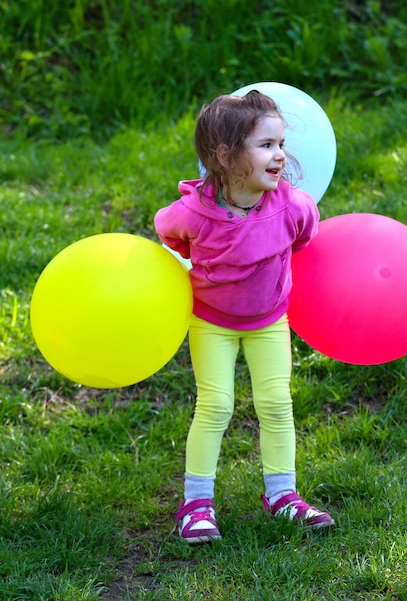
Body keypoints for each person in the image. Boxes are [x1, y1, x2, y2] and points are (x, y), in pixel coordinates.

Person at [154, 90, 334, 544]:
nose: (280, 156)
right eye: (266, 146)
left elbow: (305, 238)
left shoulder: (293, 207)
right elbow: (167, 235)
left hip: (269, 319)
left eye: (280, 145)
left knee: (276, 404)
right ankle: (195, 504)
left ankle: (282, 495)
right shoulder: (194, 214)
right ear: (226, 155)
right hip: (211, 320)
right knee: (215, 405)